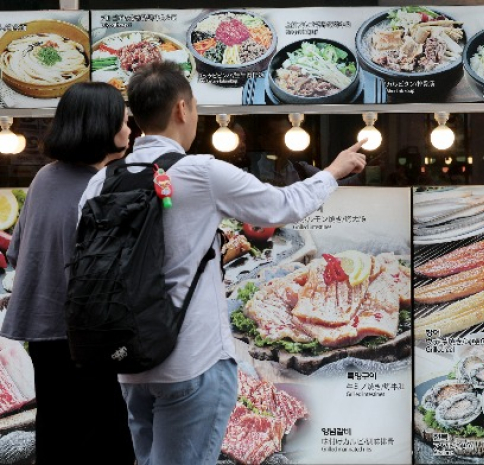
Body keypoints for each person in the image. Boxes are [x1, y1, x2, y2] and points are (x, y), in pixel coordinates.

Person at [79, 61, 367, 465]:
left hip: (129, 363)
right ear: (182, 108)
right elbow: (282, 205)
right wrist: (333, 172)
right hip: (191, 360)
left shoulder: (100, 182)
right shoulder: (200, 173)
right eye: (195, 106)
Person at [0, 82, 135, 464]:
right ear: (100, 127)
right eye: (123, 122)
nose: (130, 131)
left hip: (45, 336)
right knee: (108, 442)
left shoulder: (44, 178)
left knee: (57, 438)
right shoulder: (105, 186)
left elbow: (17, 253)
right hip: (92, 341)